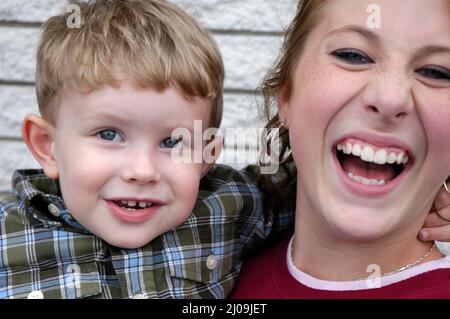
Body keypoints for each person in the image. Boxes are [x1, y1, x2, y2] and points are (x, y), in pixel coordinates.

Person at [0, 0, 291, 299]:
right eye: (109, 134)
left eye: (173, 141)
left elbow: (308, 179)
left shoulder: (230, 209)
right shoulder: (7, 238)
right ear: (48, 146)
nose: (142, 171)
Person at [231, 0, 450, 298]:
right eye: (353, 55)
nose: (390, 99)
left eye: (437, 73)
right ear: (286, 95)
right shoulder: (215, 271)